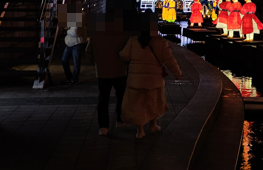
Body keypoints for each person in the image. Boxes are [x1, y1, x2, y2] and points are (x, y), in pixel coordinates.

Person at [119, 13, 184, 139]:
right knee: (153, 102)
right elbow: (170, 60)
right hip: (154, 80)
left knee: (138, 105)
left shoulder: (133, 40)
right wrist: (178, 74)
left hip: (136, 81)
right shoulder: (160, 41)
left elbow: (124, 55)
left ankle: (140, 130)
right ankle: (153, 126)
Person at [86, 7, 132, 136]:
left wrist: (96, 63)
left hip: (102, 72)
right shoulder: (123, 34)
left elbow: (88, 52)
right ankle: (120, 120)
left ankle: (103, 127)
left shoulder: (96, 35)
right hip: (120, 71)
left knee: (103, 100)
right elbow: (128, 53)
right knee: (121, 98)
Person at [61, 7, 87, 85]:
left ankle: (74, 79)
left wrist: (67, 30)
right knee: (64, 60)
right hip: (69, 43)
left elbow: (75, 32)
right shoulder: (73, 18)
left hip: (77, 43)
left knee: (76, 62)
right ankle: (69, 77)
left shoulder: (79, 18)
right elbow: (67, 27)